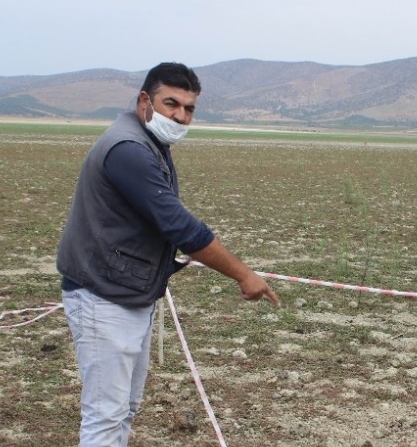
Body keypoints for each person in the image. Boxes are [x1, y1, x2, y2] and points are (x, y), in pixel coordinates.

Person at [56, 62, 280, 446]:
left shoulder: (149, 143)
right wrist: (244, 274)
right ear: (145, 100)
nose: (179, 116)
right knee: (106, 415)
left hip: (127, 292)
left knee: (125, 407)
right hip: (103, 295)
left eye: (189, 108)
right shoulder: (129, 149)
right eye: (170, 103)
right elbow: (180, 228)